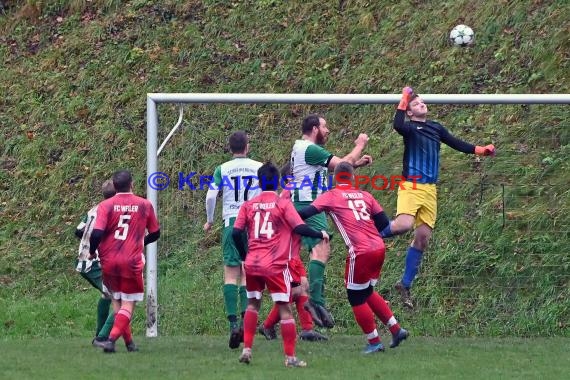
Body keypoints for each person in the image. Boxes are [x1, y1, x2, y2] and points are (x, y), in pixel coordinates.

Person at [381, 87, 496, 309]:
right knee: (403, 225)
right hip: (411, 186)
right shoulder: (409, 128)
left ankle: (405, 285)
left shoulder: (435, 127)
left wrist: (481, 150)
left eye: (422, 102)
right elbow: (397, 124)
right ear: (410, 112)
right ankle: (368, 236)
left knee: (422, 238)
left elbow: (456, 143)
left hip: (430, 190)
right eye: (416, 104)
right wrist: (404, 99)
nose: (421, 104)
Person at [298, 162, 409, 353]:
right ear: (353, 178)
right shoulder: (366, 195)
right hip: (378, 247)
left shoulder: (331, 195)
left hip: (360, 251)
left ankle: (374, 342)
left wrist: (285, 215)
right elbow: (383, 224)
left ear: (335, 178)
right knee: (367, 292)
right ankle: (396, 330)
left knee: (356, 297)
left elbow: (306, 212)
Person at [232, 162, 330, 367]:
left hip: (252, 264)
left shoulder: (248, 205)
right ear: (277, 182)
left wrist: (244, 255)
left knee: (252, 305)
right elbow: (300, 227)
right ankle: (290, 358)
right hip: (275, 264)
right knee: (285, 309)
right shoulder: (282, 204)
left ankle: (247, 349)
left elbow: (236, 232)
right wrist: (319, 233)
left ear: (259, 182)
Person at [290, 113, 372, 328]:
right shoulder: (310, 148)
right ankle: (316, 302)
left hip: (307, 202)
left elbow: (337, 168)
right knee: (321, 249)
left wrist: (357, 165)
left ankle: (276, 322)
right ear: (315, 129)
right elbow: (343, 163)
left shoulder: (303, 149)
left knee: (316, 253)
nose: (328, 131)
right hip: (310, 203)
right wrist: (360, 145)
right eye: (325, 127)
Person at [89, 170, 160, 353]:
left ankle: (129, 343)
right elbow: (156, 233)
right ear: (132, 184)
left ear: (114, 184)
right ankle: (111, 339)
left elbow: (97, 233)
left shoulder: (106, 205)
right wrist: (141, 242)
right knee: (129, 304)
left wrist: (92, 251)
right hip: (131, 260)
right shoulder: (144, 204)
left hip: (109, 260)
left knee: (117, 301)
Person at [203, 131, 262, 349]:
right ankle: (246, 325)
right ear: (247, 146)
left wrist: (209, 220)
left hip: (231, 223)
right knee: (248, 273)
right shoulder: (259, 166)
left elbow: (210, 196)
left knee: (231, 273)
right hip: (253, 224)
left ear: (230, 149)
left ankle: (232, 324)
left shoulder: (223, 169)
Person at [258, 163, 327, 342]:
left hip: (292, 253)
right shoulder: (289, 195)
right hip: (284, 253)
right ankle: (267, 325)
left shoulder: (289, 194)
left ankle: (307, 329)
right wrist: (317, 232)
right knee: (294, 290)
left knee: (302, 286)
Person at [74, 179, 116, 346]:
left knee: (106, 295)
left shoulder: (94, 209)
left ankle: (100, 333)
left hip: (83, 261)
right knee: (120, 298)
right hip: (96, 262)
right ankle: (102, 337)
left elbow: (78, 230)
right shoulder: (112, 211)